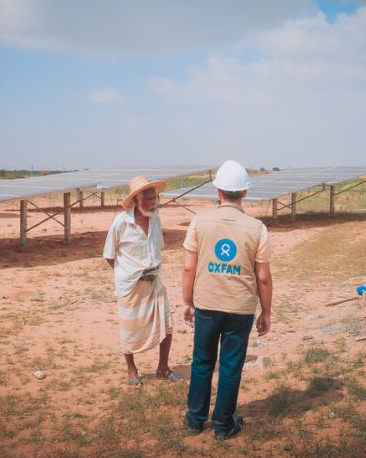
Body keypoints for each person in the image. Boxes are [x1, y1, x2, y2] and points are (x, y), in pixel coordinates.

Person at [182, 160, 273, 439]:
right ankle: (223, 425)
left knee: (202, 363)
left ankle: (195, 420)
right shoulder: (257, 228)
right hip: (240, 309)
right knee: (231, 367)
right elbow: (264, 278)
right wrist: (266, 312)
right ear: (245, 193)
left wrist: (187, 302)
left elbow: (189, 267)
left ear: (218, 191)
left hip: (207, 304)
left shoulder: (199, 221)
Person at [103, 175, 181, 387]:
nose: (154, 202)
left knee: (167, 324)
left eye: (155, 197)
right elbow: (109, 255)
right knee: (130, 329)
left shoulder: (156, 219)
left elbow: (157, 248)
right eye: (148, 199)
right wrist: (126, 274)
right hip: (130, 286)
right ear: (137, 200)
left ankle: (163, 368)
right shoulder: (121, 223)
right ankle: (132, 369)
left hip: (154, 282)